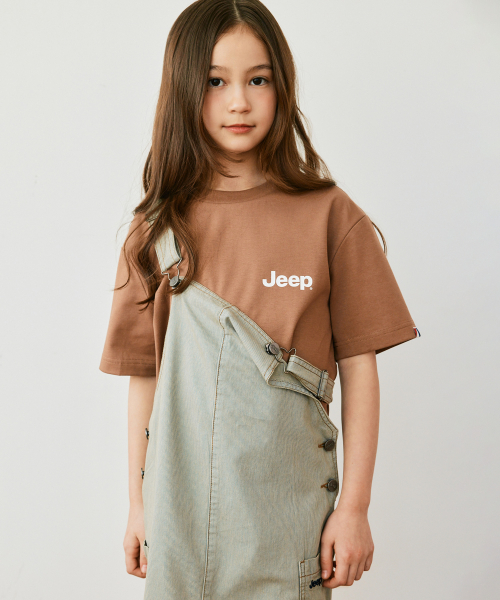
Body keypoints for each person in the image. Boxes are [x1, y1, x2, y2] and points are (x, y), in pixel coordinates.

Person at [99, 1, 420, 598]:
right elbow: (146, 378)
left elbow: (359, 367)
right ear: (183, 89)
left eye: (258, 80)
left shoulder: (330, 216)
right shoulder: (155, 232)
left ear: (282, 86)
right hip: (178, 527)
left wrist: (354, 508)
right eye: (215, 81)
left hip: (291, 532)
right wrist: (138, 505)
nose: (239, 102)